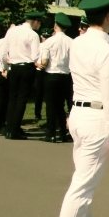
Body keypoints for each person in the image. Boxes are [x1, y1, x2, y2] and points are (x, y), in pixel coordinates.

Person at [52, 0, 109, 217]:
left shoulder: (78, 43)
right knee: (82, 185)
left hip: (79, 113)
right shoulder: (107, 52)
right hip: (97, 118)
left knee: (84, 179)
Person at [4, 11, 43, 140]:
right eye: (39, 22)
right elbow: (35, 56)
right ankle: (14, 130)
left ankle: (9, 128)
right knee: (22, 99)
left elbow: (4, 50)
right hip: (26, 67)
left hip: (14, 66)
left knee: (12, 98)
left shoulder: (12, 31)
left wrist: (5, 65)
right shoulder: (33, 35)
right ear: (35, 21)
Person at [39, 14, 74, 143]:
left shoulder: (49, 42)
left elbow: (44, 61)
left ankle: (51, 133)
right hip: (65, 75)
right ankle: (63, 133)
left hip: (51, 74)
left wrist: (39, 65)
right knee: (60, 105)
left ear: (55, 25)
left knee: (51, 105)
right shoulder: (71, 42)